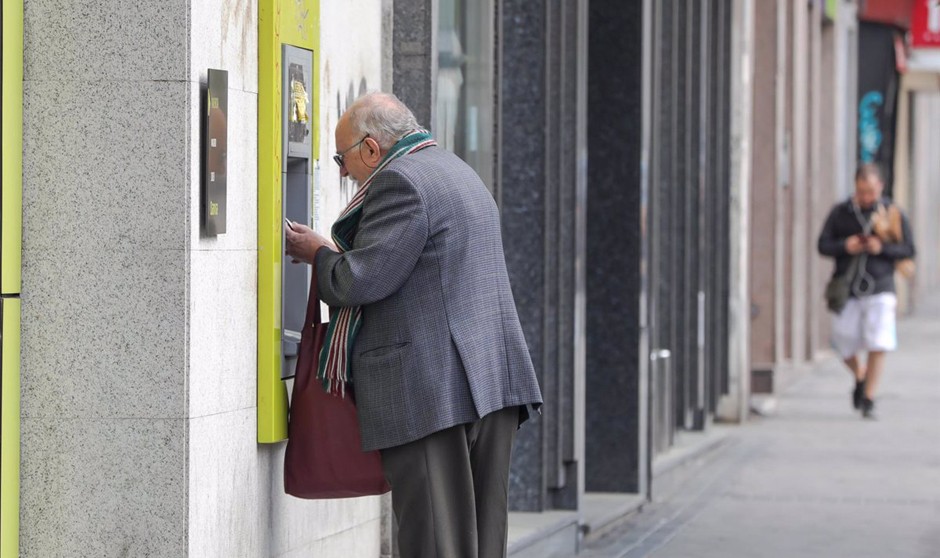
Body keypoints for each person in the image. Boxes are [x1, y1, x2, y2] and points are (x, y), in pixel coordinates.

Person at [285, 91, 543, 557]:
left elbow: (358, 282)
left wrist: (318, 254)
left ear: (370, 148)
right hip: (487, 382)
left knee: (435, 541)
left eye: (343, 159)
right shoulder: (454, 170)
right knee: (480, 543)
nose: (343, 172)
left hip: (431, 391)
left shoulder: (400, 182)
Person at [817, 163, 915, 419]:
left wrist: (880, 248)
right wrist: (845, 246)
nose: (866, 197)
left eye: (871, 191)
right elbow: (823, 244)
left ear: (880, 187)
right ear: (855, 188)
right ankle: (860, 374)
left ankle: (869, 397)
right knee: (842, 340)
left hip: (881, 285)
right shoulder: (841, 213)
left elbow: (908, 250)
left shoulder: (893, 213)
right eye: (862, 191)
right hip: (848, 287)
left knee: (878, 341)